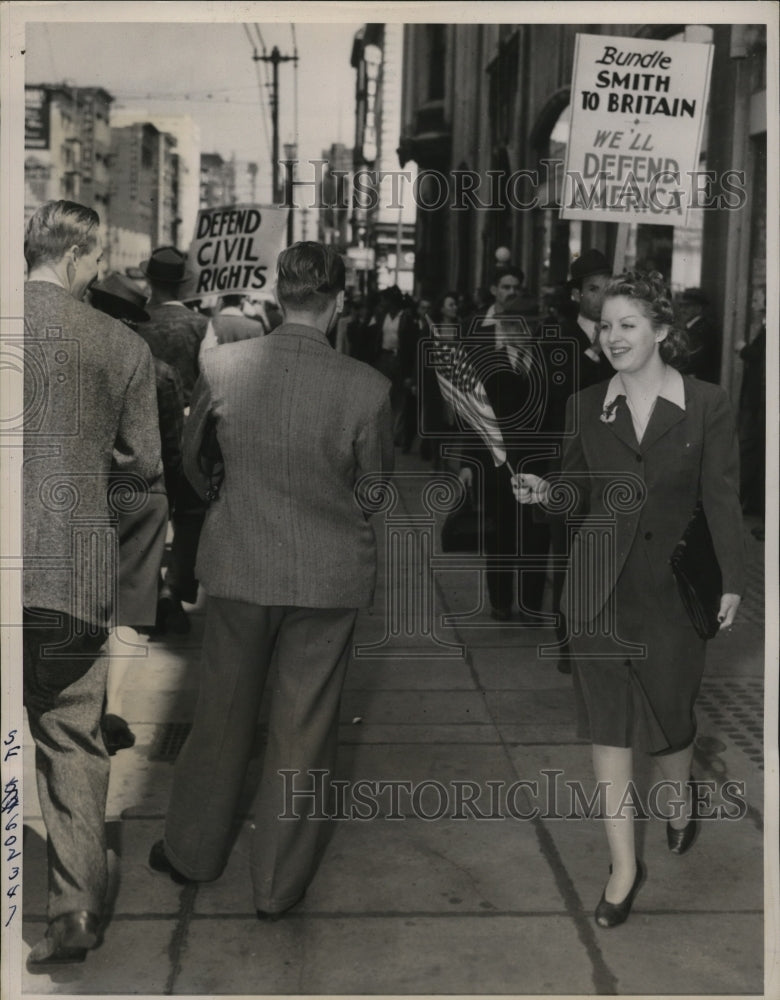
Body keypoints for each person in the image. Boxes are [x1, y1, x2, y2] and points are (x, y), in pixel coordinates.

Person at [148, 241, 394, 918]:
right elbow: (375, 492)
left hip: (240, 565)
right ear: (339, 301)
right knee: (304, 730)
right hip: (328, 577)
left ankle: (193, 852)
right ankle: (276, 887)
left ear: (278, 297)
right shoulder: (368, 388)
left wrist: (233, 501)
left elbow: (194, 462)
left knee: (222, 714)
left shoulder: (223, 368)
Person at [512, 270, 744, 928]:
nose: (612, 336)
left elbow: (722, 498)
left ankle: (678, 797)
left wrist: (732, 580)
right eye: (605, 326)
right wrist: (546, 494)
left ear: (662, 331)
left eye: (627, 325)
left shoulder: (707, 404)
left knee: (670, 721)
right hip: (596, 593)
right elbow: (575, 490)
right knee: (608, 731)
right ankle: (623, 867)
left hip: (671, 593)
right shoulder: (587, 407)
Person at [22, 201, 164, 966]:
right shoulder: (119, 344)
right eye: (98, 256)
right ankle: (74, 912)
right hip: (69, 577)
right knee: (72, 738)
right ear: (79, 257)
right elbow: (144, 471)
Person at [89, 272, 182, 754]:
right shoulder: (155, 367)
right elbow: (166, 446)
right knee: (130, 607)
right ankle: (115, 705)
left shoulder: (74, 357)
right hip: (143, 497)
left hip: (83, 492)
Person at [458, 288, 552, 621]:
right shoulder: (490, 361)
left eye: (522, 326)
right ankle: (500, 601)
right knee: (501, 535)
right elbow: (475, 415)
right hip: (499, 465)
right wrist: (468, 463)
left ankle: (530, 604)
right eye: (510, 326)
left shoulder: (547, 360)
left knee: (536, 538)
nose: (516, 333)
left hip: (539, 465)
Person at [545, 249, 614, 672]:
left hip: (612, 465)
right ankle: (569, 645)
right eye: (593, 289)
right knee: (569, 557)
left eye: (609, 287)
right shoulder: (558, 337)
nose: (603, 296)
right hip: (571, 465)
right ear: (576, 294)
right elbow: (554, 398)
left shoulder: (623, 334)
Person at [136, 246, 210, 633]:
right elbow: (210, 383)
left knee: (145, 512)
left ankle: (146, 590)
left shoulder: (132, 321)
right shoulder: (200, 325)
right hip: (185, 430)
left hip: (137, 428)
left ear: (148, 279)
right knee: (191, 513)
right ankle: (174, 587)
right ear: (184, 282)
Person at [676, 287, 721, 385]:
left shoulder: (702, 329)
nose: (682, 310)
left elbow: (694, 361)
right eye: (681, 306)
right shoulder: (692, 328)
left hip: (699, 383)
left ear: (699, 308)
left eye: (687, 306)